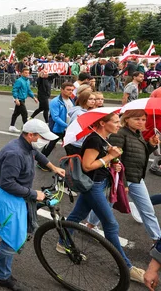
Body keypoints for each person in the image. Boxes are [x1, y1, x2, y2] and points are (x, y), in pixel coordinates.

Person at [0, 119, 64, 290]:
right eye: (42, 137)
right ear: (30, 135)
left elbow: (38, 155)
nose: (45, 141)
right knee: (10, 239)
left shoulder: (26, 145)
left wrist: (53, 167)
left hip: (9, 196)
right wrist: (34, 194)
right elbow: (7, 183)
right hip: (7, 198)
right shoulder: (15, 153)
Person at [64, 112, 146, 284]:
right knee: (111, 224)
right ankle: (126, 267)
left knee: (76, 216)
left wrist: (112, 163)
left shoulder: (104, 139)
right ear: (102, 123)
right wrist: (108, 157)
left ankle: (62, 241)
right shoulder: (94, 140)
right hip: (92, 186)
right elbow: (87, 166)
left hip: (99, 183)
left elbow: (99, 162)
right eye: (115, 122)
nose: (119, 125)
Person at [109, 109, 161, 241]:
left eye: (143, 119)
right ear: (126, 119)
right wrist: (123, 183)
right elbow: (116, 160)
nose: (141, 122)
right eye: (137, 119)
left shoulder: (138, 134)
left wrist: (151, 145)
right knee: (106, 206)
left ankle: (158, 241)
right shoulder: (119, 133)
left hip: (137, 178)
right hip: (122, 179)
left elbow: (140, 155)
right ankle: (90, 225)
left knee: (148, 210)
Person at [41, 82, 74, 157]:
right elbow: (55, 117)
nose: (70, 92)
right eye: (68, 89)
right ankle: (41, 162)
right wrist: (66, 125)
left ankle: (69, 159)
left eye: (72, 90)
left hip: (67, 128)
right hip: (57, 128)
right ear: (62, 90)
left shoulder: (71, 100)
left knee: (68, 145)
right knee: (50, 145)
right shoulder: (55, 101)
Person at [9, 68, 38, 133]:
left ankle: (11, 126)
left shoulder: (27, 81)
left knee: (16, 113)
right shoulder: (19, 81)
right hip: (19, 99)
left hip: (23, 99)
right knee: (25, 114)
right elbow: (14, 90)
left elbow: (29, 90)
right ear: (22, 73)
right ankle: (26, 130)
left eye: (28, 73)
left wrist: (34, 97)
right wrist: (16, 99)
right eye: (25, 73)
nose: (27, 74)